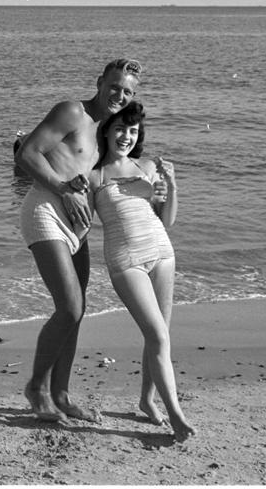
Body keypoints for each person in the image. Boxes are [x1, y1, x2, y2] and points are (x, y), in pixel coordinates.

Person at [15, 58, 142, 422]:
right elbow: (27, 153)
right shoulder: (72, 112)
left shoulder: (109, 130)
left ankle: (61, 394)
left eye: (127, 91)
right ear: (99, 82)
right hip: (45, 211)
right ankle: (37, 388)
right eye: (114, 86)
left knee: (77, 312)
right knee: (69, 307)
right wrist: (63, 189)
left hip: (78, 228)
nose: (119, 95)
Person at [86, 101, 196, 441]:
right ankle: (176, 415)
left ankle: (148, 400)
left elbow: (167, 219)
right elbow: (82, 222)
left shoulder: (147, 166)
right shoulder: (94, 175)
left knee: (160, 335)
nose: (126, 136)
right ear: (106, 130)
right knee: (158, 335)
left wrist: (172, 185)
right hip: (125, 259)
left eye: (133, 131)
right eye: (120, 128)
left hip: (162, 252)